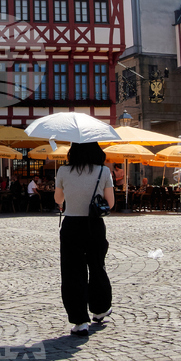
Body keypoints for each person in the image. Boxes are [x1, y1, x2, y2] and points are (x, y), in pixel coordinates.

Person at [54, 141, 115, 337]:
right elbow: (110, 203)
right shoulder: (103, 172)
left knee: (72, 271)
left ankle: (79, 321)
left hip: (72, 225)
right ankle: (100, 310)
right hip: (94, 224)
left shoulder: (63, 171)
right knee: (97, 266)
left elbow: (58, 200)